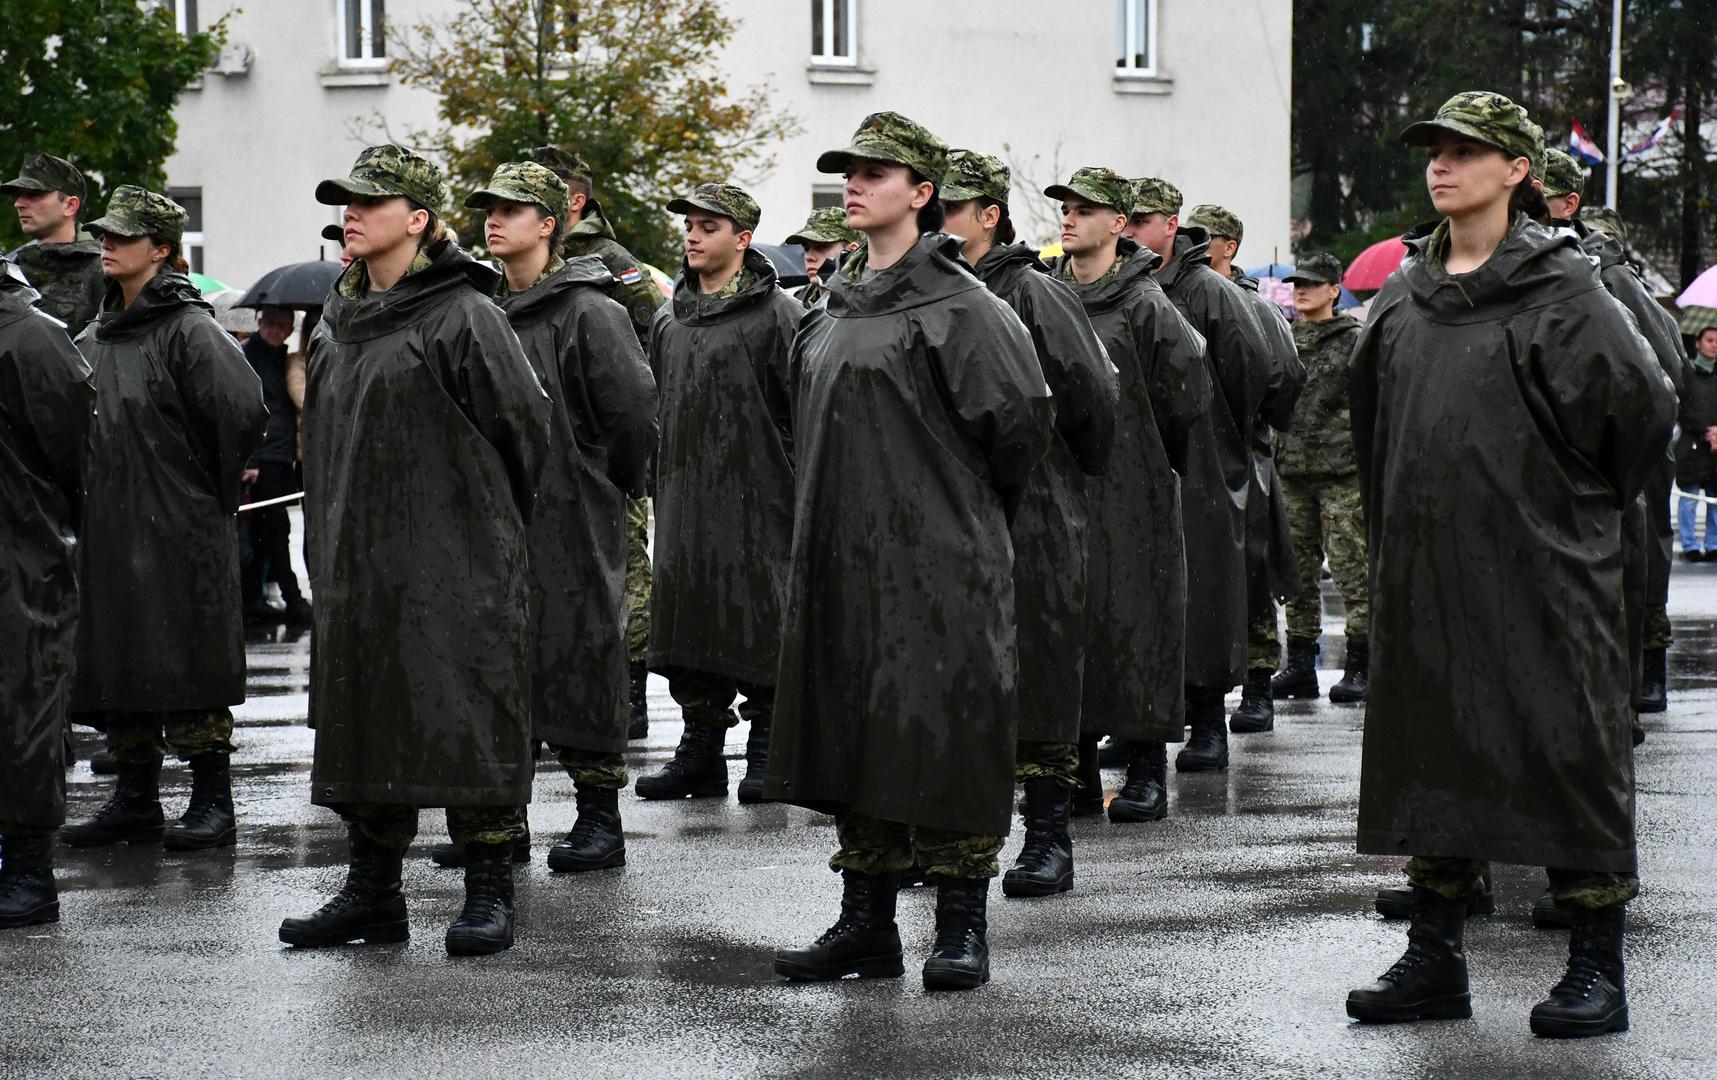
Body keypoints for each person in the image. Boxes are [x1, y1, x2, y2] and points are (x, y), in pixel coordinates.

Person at [1344, 92, 1674, 1038]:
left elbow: (1637, 417)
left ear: (1518, 170)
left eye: (1465, 151)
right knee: (1433, 743)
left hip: (1544, 565)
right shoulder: (1405, 295)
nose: (1439, 166)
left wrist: (1565, 517)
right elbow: (1373, 420)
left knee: (1565, 747)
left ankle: (1593, 964)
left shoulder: (1565, 292)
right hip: (1426, 565)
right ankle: (1436, 956)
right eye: (1432, 151)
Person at [767, 112, 1054, 991]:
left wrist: (950, 524)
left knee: (946, 733)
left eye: (874, 173)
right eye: (847, 172)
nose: (853, 185)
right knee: (857, 733)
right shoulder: (827, 306)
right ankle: (865, 924)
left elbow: (1019, 432)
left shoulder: (965, 307)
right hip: (840, 561)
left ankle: (961, 924)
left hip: (940, 564)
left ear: (921, 195)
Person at [278, 145, 551, 956]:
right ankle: (372, 890)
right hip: (357, 559)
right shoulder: (336, 320)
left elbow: (527, 435)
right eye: (345, 202)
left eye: (370, 201)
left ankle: (489, 888)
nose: (350, 214)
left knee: (468, 710)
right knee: (365, 714)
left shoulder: (464, 315)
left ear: (420, 219)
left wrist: (477, 529)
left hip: (456, 557)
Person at [60, 186, 267, 855]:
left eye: (123, 235)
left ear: (163, 249)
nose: (107, 244)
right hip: (110, 526)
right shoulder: (95, 333)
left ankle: (212, 797)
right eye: (105, 234)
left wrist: (195, 488)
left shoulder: (190, 330)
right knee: (117, 656)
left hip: (179, 526)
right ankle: (136, 798)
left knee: (189, 658)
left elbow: (240, 413)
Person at [463, 161, 656, 871]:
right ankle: (499, 820)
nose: (493, 220)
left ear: (550, 224)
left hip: (573, 507)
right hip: (496, 513)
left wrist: (607, 486)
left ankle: (599, 816)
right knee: (498, 662)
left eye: (511, 210)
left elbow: (634, 414)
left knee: (581, 652)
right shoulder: (480, 309)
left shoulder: (589, 311)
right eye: (488, 208)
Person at [941, 150, 1117, 894]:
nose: (939, 221)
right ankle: (946, 838)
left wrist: (1054, 480)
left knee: (1039, 670)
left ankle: (1048, 834)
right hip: (952, 511)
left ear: (989, 214)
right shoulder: (929, 290)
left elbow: (1092, 396)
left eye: (953, 207)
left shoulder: (1033, 292)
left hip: (1034, 509)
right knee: (955, 676)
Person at [1045, 167, 1208, 825]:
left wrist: (1142, 458)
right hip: (1061, 486)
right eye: (1065, 209)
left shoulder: (1144, 303)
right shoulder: (1046, 297)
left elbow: (1187, 391)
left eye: (1085, 210)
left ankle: (1144, 769)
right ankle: (1077, 769)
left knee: (1138, 622)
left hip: (1132, 486)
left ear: (1117, 224)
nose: (1068, 219)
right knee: (1069, 626)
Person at [635, 182, 800, 805]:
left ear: (743, 238)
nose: (693, 234)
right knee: (689, 623)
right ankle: (700, 750)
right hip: (683, 498)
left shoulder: (781, 317)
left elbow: (803, 411)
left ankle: (768, 748)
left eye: (709, 225)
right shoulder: (666, 320)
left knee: (763, 623)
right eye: (690, 224)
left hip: (762, 500)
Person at [1126, 178, 1271, 772]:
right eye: (1125, 218)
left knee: (1206, 591)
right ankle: (1139, 721)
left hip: (1204, 462)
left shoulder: (1207, 290)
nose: (1132, 229)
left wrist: (1226, 438)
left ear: (1171, 224)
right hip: (1138, 463)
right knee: (1137, 594)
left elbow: (1262, 368)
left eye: (1144, 219)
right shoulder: (1117, 289)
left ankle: (1209, 718)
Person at [529, 146, 665, 740]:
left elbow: (654, 336)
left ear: (572, 202)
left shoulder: (609, 261)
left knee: (625, 567)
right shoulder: (530, 262)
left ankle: (629, 690)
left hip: (601, 440)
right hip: (547, 448)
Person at [1183, 203, 1307, 729]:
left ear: (1228, 247)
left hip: (1243, 456)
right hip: (1191, 459)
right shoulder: (1176, 294)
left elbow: (1283, 382)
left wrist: (1243, 424)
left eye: (1204, 237)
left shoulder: (1253, 307)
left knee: (1252, 570)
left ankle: (1258, 684)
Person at [0, 258, 94, 929]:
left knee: (22, 702)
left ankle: (30, 871)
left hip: (18, 552)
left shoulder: (29, 336)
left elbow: (78, 453)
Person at [1267, 253, 1369, 705]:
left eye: (1312, 283)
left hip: (1340, 472)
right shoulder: (1283, 338)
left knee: (1352, 570)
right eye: (1297, 284)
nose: (1301, 290)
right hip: (1291, 470)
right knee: (1298, 575)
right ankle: (1301, 667)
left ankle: (1361, 666)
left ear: (1334, 290)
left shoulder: (1354, 341)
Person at [238, 305, 311, 629]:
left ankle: (253, 600)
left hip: (280, 456)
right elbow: (246, 408)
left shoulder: (280, 357)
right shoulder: (248, 355)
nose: (277, 330)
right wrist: (250, 458)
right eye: (271, 323)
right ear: (259, 322)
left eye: (283, 325)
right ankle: (291, 599)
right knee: (274, 530)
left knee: (266, 532)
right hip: (264, 456)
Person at [2, 152, 106, 338]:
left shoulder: (104, 268)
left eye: (34, 195)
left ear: (70, 205)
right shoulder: (11, 267)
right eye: (19, 195)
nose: (19, 204)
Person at [1680, 326, 1717, 563]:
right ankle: (1690, 544)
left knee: (1715, 499)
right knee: (1689, 497)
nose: (1714, 345)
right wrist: (1705, 432)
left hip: (1716, 446)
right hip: (1691, 445)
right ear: (1698, 344)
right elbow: (1681, 408)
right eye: (1710, 340)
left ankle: (1713, 544)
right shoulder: (1686, 373)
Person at [784, 206, 861, 307]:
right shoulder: (798, 300)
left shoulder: (864, 301)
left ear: (852, 250)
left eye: (821, 247)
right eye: (806, 248)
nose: (809, 257)